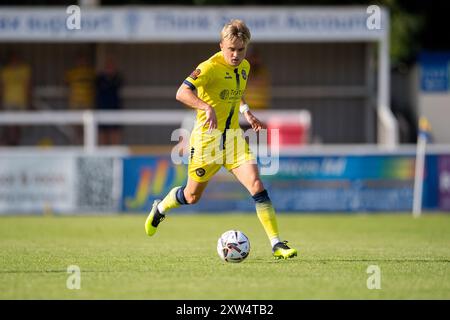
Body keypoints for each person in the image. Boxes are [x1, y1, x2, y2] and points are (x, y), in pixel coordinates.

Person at [144, 19, 297, 260]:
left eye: (241, 50)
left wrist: (247, 112)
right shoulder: (208, 67)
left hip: (234, 139)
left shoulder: (244, 66)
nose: (236, 55)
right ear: (221, 45)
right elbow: (181, 92)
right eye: (231, 49)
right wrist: (205, 107)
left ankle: (277, 244)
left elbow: (236, 93)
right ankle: (160, 208)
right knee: (192, 197)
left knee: (257, 185)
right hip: (207, 142)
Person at [0, 52, 32, 145]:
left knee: (20, 124)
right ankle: (10, 142)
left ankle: (16, 143)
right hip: (8, 101)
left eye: (16, 58)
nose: (15, 60)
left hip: (22, 101)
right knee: (10, 124)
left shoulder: (24, 69)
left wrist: (29, 101)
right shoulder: (5, 71)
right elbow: (2, 87)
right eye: (13, 58)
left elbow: (28, 86)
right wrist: (1, 101)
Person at [95, 57, 123, 145]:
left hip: (114, 107)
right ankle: (103, 151)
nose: (109, 68)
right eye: (108, 66)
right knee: (102, 131)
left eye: (111, 66)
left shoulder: (117, 78)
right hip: (102, 107)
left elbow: (118, 84)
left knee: (114, 130)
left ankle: (115, 149)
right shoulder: (100, 78)